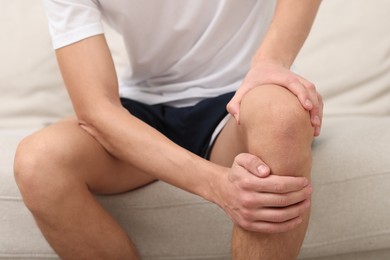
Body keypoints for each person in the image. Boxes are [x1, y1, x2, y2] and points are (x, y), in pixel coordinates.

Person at [14, 0, 323, 259]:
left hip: (242, 95)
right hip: (143, 107)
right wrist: (217, 185)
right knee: (39, 163)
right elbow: (96, 110)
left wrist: (272, 59)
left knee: (282, 118)